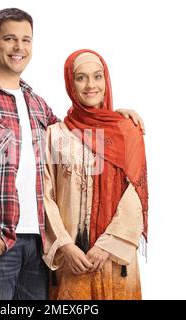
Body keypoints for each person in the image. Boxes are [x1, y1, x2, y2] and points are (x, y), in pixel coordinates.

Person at [0, 8, 145, 300]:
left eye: (26, 40)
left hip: (39, 246)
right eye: (9, 39)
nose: (19, 47)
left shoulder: (37, 104)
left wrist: (113, 118)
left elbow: (76, 142)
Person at [42, 49, 148, 300]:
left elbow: (136, 193)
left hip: (116, 259)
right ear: (70, 83)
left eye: (97, 76)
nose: (91, 85)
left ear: (106, 80)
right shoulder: (57, 134)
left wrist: (107, 245)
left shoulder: (126, 130)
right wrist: (65, 245)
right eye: (81, 78)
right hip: (71, 260)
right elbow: (45, 194)